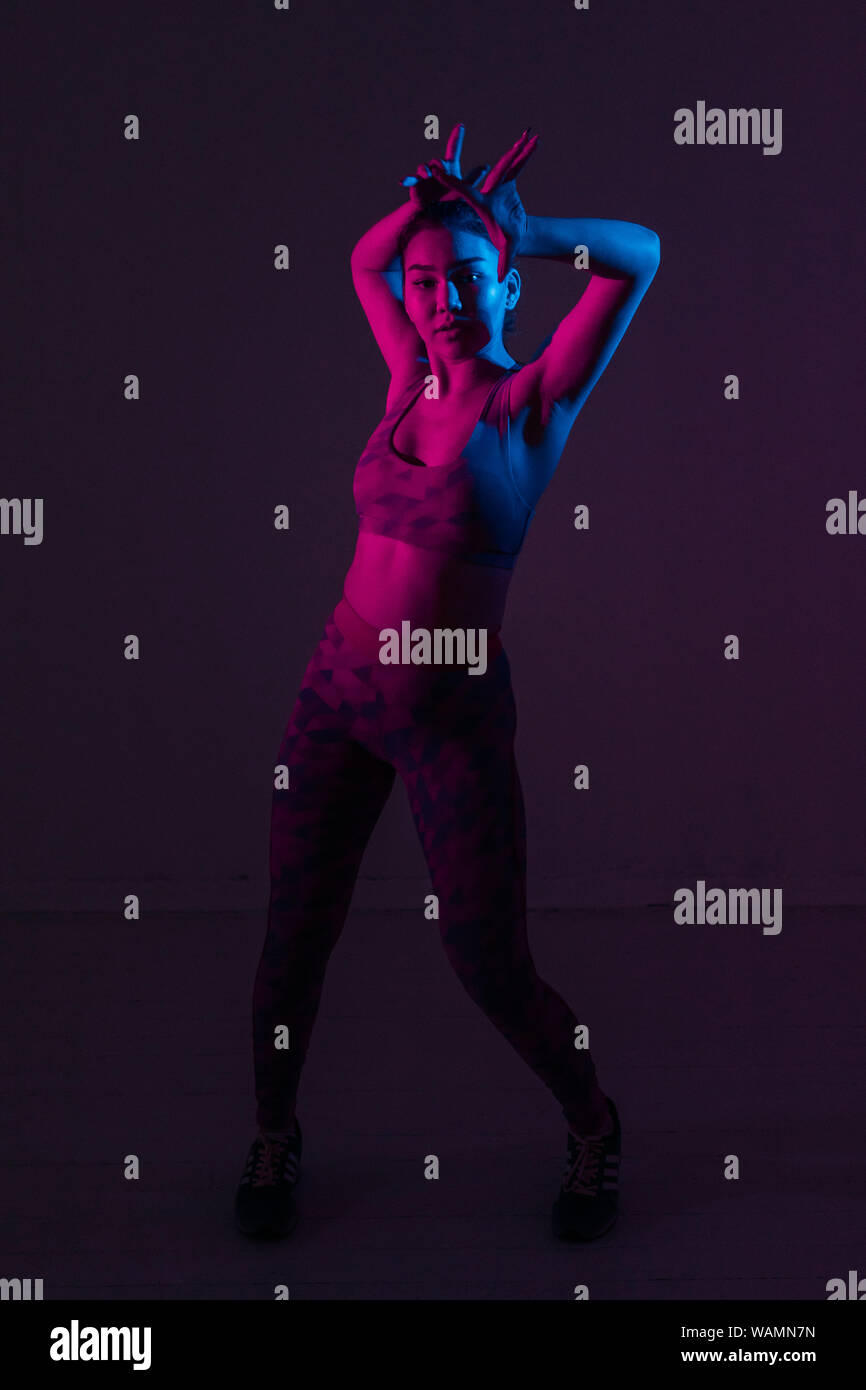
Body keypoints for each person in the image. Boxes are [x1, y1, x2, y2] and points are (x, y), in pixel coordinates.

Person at [234, 123, 660, 1243]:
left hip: (447, 716)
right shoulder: (401, 377)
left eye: (463, 278)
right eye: (425, 284)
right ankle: (273, 1135)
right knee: (292, 936)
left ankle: (592, 1124)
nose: (435, 299)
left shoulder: (530, 404)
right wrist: (433, 207)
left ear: (507, 285)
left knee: (487, 960)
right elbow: (364, 263)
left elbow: (641, 257)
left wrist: (520, 223)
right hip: (334, 690)